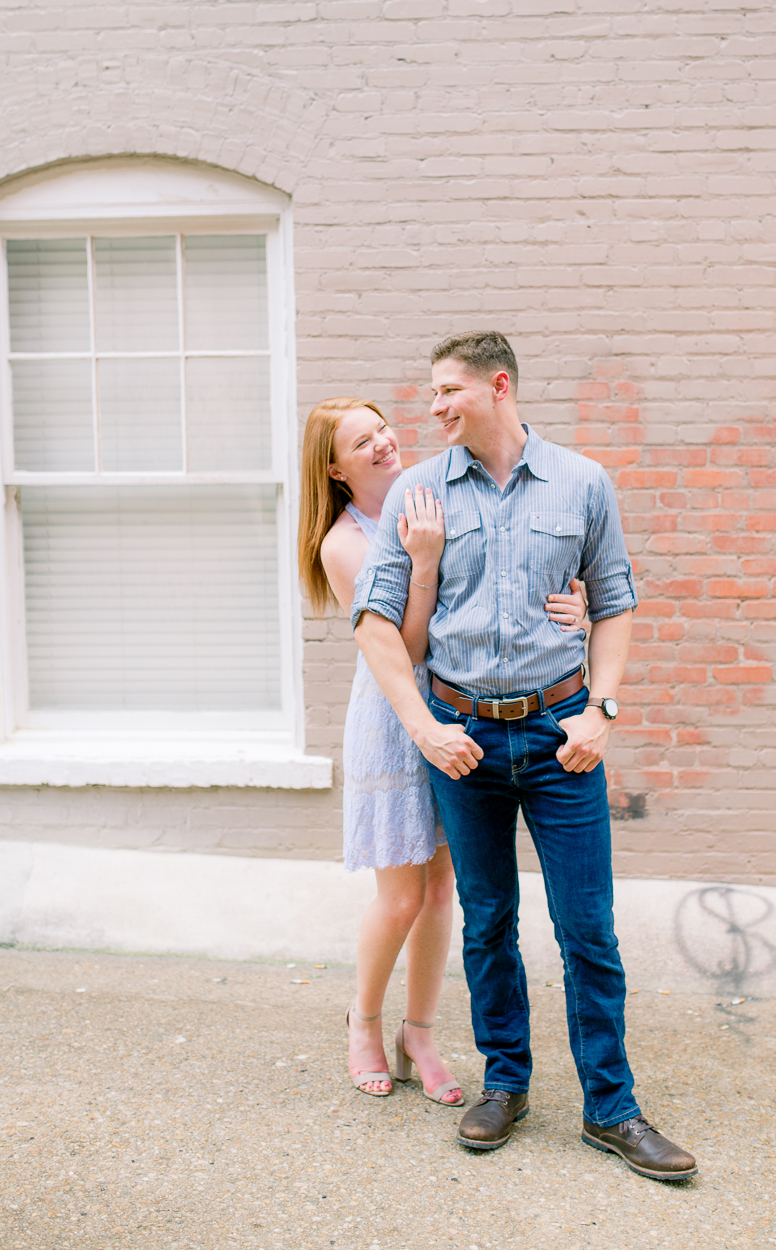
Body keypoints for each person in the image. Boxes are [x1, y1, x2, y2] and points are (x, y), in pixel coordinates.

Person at [350, 334, 698, 1181]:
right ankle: (505, 1084)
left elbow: (612, 602)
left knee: (587, 928)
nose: (432, 408)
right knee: (487, 921)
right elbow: (374, 623)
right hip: (461, 742)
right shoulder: (418, 490)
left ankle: (611, 1109)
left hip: (558, 741)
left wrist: (601, 711)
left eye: (447, 391)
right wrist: (424, 728)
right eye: (431, 393)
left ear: (496, 386)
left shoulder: (582, 481)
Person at [298, 396, 588, 1106]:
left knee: (441, 893)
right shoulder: (344, 542)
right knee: (400, 896)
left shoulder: (427, 495)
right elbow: (404, 644)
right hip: (400, 720)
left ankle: (417, 1031)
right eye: (361, 442)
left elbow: (496, 587)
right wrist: (423, 559)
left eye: (382, 429)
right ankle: (361, 1024)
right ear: (334, 469)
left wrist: (572, 606)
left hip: (467, 710)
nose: (383, 443)